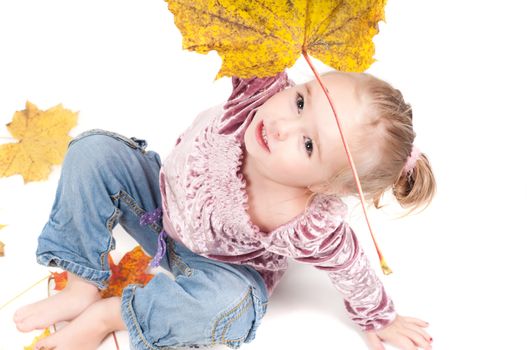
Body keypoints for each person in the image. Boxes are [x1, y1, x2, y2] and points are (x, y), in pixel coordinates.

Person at [13, 70, 436, 350]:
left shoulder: (309, 223)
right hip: (159, 209)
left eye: (308, 145)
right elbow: (244, 36)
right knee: (94, 151)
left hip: (224, 269)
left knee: (233, 306)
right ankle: (83, 283)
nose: (283, 125)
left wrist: (380, 318)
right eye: (302, 102)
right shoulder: (257, 93)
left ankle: (110, 316)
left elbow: (352, 267)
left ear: (323, 186)